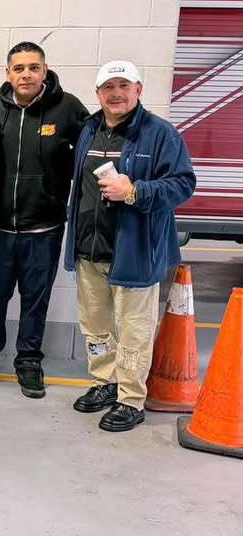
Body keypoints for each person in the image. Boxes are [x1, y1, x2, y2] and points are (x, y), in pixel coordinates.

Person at [65, 60, 195, 432]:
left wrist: (135, 191)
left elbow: (183, 184)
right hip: (89, 248)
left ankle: (131, 399)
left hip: (136, 250)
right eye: (109, 87)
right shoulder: (89, 129)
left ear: (138, 90)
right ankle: (105, 382)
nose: (116, 93)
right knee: (95, 327)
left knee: (135, 331)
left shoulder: (160, 133)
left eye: (124, 85)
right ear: (98, 94)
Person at [0, 42, 89, 398]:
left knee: (36, 299)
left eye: (33, 67)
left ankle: (29, 361)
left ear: (44, 71)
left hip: (44, 230)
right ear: (8, 74)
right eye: (19, 68)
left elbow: (89, 159)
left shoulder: (68, 109)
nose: (26, 74)